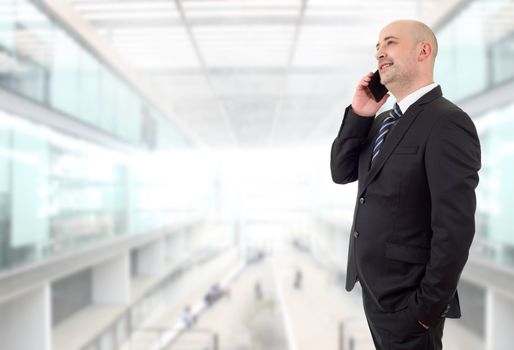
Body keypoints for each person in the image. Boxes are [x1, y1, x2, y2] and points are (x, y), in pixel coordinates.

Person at [330, 19, 481, 350]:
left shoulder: (448, 122)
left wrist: (425, 311)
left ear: (423, 51)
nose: (380, 53)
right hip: (374, 293)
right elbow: (341, 171)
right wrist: (360, 112)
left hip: (409, 303)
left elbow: (454, 229)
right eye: (377, 47)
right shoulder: (383, 121)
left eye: (390, 43)